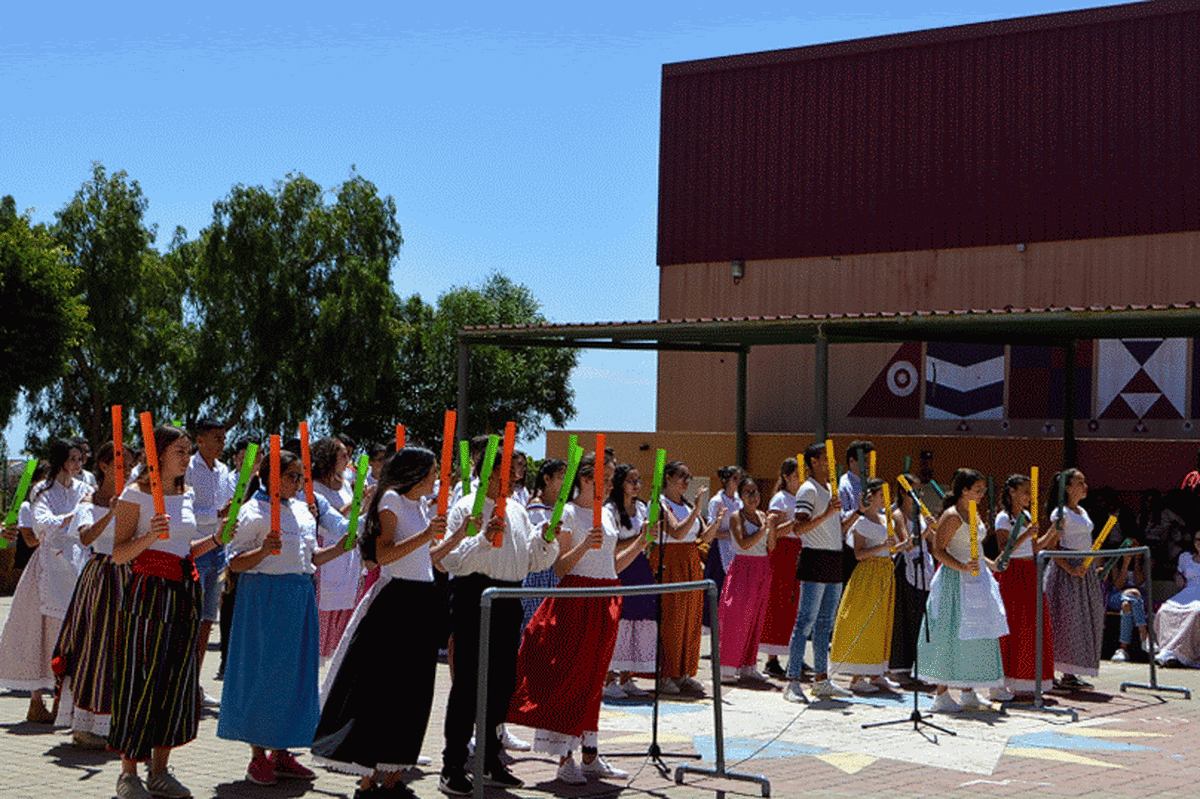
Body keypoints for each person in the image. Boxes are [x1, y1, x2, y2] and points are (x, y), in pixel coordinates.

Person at [310, 447, 456, 798]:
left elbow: (423, 558)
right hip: (396, 603)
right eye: (433, 471)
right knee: (381, 690)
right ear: (415, 473)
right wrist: (426, 535)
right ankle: (368, 779)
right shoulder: (390, 500)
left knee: (413, 693)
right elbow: (383, 554)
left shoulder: (418, 506)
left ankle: (394, 775)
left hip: (421, 599)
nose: (436, 478)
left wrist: (458, 535)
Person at [509, 452, 638, 785]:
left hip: (607, 595)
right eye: (604, 478)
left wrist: (641, 542)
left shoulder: (607, 512)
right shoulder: (568, 512)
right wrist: (584, 546)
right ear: (585, 479)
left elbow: (612, 564)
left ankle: (590, 754)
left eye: (611, 478)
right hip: (578, 597)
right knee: (572, 677)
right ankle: (565, 758)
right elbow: (560, 567)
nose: (609, 484)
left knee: (596, 679)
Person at [438, 446, 559, 797]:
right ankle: (452, 764)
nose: (515, 476)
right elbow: (451, 561)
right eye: (507, 470)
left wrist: (544, 539)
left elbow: (532, 561)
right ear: (489, 473)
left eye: (515, 471)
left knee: (502, 683)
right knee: (468, 684)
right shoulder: (466, 507)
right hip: (474, 596)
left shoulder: (518, 510)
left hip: (509, 598)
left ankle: (490, 757)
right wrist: (482, 539)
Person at [108, 424, 203, 799]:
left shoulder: (187, 493)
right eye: (179, 450)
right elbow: (118, 554)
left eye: (188, 450)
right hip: (148, 593)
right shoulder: (135, 495)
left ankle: (160, 771)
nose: (186, 457)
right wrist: (149, 535)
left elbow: (184, 548)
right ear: (158, 454)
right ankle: (128, 773)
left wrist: (217, 539)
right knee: (140, 677)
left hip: (184, 592)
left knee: (176, 680)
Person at [0, 440, 90, 724]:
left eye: (81, 459)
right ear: (61, 460)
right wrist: (75, 516)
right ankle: (38, 700)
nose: (78, 464)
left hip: (79, 562)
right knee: (40, 633)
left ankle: (67, 701)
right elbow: (42, 525)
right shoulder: (43, 489)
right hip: (49, 567)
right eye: (73, 458)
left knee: (75, 635)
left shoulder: (85, 488)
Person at [52, 441, 131, 748]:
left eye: (130, 464)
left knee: (123, 647)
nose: (126, 470)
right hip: (100, 576)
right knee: (94, 646)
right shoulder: (89, 499)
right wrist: (111, 513)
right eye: (120, 464)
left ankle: (116, 721)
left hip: (128, 575)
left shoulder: (135, 498)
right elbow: (85, 537)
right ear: (104, 465)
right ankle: (84, 723)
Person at [918, 468, 1008, 713]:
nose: (982, 494)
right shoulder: (952, 516)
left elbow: (974, 548)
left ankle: (969, 691)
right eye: (977, 490)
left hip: (977, 580)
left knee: (976, 634)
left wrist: (991, 564)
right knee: (950, 633)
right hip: (954, 581)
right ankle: (941, 694)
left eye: (983, 490)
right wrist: (961, 567)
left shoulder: (974, 512)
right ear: (964, 490)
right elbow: (938, 550)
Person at [783, 443, 860, 703]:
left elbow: (837, 528)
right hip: (814, 558)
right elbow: (798, 528)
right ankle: (792, 681)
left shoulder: (829, 489)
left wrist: (858, 512)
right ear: (813, 461)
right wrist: (827, 513)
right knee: (805, 621)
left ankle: (821, 680)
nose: (831, 462)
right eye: (826, 458)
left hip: (834, 559)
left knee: (825, 624)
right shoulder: (808, 489)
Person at [652, 460, 725, 695]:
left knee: (690, 619)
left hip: (691, 563)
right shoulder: (661, 504)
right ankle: (665, 673)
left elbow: (703, 538)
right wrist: (696, 509)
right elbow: (677, 531)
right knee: (671, 620)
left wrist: (717, 521)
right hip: (670, 563)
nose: (687, 481)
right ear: (668, 477)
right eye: (682, 476)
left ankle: (683, 672)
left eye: (689, 477)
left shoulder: (686, 504)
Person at [828, 478, 901, 693]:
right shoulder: (861, 522)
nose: (885, 499)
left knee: (881, 623)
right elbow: (859, 554)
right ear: (871, 497)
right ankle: (856, 677)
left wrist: (901, 546)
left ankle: (877, 672)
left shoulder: (885, 519)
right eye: (881, 495)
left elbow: (890, 549)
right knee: (863, 622)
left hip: (885, 573)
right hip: (868, 575)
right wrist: (882, 546)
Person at [184, 417, 233, 708]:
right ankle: (182, 683)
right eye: (217, 438)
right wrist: (216, 514)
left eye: (224, 438)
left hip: (219, 551)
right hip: (196, 548)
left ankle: (195, 684)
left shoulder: (224, 471)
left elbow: (229, 508)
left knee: (206, 620)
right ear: (200, 440)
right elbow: (186, 512)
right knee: (190, 618)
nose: (222, 443)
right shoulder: (189, 468)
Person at [993, 473, 1056, 699]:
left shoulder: (1027, 516)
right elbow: (1004, 549)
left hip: (1031, 571)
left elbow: (1035, 547)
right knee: (1014, 625)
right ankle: (1007, 678)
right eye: (1025, 492)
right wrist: (1026, 534)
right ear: (1012, 493)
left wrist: (1051, 532)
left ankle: (1029, 679)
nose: (1030, 497)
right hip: (1013, 572)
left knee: (1032, 625)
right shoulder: (1003, 518)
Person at [1044, 469, 1104, 690]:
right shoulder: (1061, 514)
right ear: (1067, 488)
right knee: (1065, 619)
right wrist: (1070, 568)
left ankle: (1071, 671)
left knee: (1084, 618)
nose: (1085, 486)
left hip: (1084, 570)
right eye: (1079, 483)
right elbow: (1052, 547)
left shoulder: (1082, 511)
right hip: (1066, 572)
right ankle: (1056, 672)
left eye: (1084, 482)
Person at [310, 436, 368, 661]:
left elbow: (347, 523)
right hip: (326, 549)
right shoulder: (314, 488)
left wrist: (367, 508)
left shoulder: (345, 483)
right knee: (321, 613)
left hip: (346, 551)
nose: (348, 459)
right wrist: (354, 505)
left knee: (343, 613)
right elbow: (330, 519)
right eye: (343, 454)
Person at [718, 476, 777, 684]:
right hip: (743, 569)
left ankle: (748, 665)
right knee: (736, 619)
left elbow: (771, 546)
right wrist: (764, 529)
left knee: (756, 618)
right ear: (741, 496)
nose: (753, 497)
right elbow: (743, 543)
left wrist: (771, 528)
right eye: (748, 492)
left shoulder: (763, 516)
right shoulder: (737, 516)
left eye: (755, 492)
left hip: (762, 567)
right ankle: (727, 668)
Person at [603, 464, 655, 698]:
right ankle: (608, 679)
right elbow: (612, 545)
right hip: (620, 567)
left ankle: (627, 676)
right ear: (620, 483)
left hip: (640, 567)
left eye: (638, 481)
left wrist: (648, 537)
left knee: (638, 620)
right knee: (619, 621)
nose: (636, 485)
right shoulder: (611, 510)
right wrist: (638, 539)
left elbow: (646, 541)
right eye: (631, 481)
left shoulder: (642, 508)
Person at [887, 473, 935, 684]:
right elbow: (908, 543)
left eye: (919, 491)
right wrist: (926, 531)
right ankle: (901, 666)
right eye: (913, 491)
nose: (918, 495)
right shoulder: (898, 514)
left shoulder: (920, 514)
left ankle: (920, 665)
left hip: (923, 567)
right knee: (905, 617)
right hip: (906, 567)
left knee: (921, 618)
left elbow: (932, 540)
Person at [761, 458, 801, 679]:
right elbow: (773, 532)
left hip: (799, 551)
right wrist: (796, 522)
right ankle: (771, 658)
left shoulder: (802, 497)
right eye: (795, 476)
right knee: (778, 602)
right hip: (783, 552)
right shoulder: (780, 499)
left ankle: (795, 654)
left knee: (796, 605)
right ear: (786, 477)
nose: (799, 480)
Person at [520, 457, 566, 632]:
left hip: (559, 573)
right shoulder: (535, 510)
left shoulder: (566, 509)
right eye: (560, 477)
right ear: (547, 479)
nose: (565, 483)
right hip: (539, 574)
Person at [703, 466, 743, 629]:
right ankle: (714, 629)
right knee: (718, 590)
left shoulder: (739, 500)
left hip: (737, 550)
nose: (738, 482)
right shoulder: (717, 501)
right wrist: (731, 533)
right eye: (735, 479)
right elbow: (711, 530)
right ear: (726, 480)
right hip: (720, 551)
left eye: (740, 479)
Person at [1154, 528, 1200, 666]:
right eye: (1197, 539)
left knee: (1195, 612)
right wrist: (1177, 576)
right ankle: (1167, 650)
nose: (1199, 542)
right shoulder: (1185, 557)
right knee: (1165, 610)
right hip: (1188, 592)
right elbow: (1178, 573)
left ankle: (1185, 654)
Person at [1105, 543, 1150, 662]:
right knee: (1131, 593)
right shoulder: (1116, 562)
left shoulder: (1146, 560)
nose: (1131, 550)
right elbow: (1118, 585)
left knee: (1127, 604)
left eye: (1134, 546)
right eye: (1129, 547)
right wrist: (1125, 563)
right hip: (1117, 595)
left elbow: (1139, 582)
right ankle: (1144, 636)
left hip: (1139, 598)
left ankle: (1123, 649)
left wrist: (1136, 561)